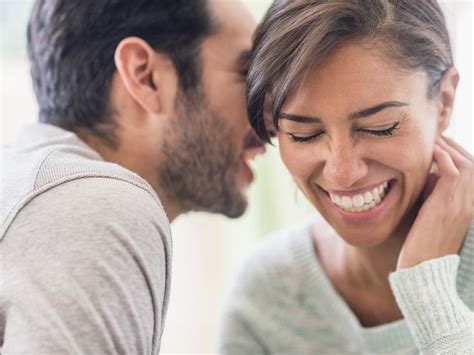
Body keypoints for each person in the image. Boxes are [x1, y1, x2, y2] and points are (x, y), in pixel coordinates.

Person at [0, 0, 264, 353]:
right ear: (145, 76)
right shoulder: (94, 204)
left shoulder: (28, 184)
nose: (273, 119)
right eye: (247, 75)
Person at [219, 0, 473, 354]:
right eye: (303, 134)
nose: (342, 173)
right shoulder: (266, 297)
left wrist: (428, 295)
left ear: (444, 102)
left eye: (378, 128)